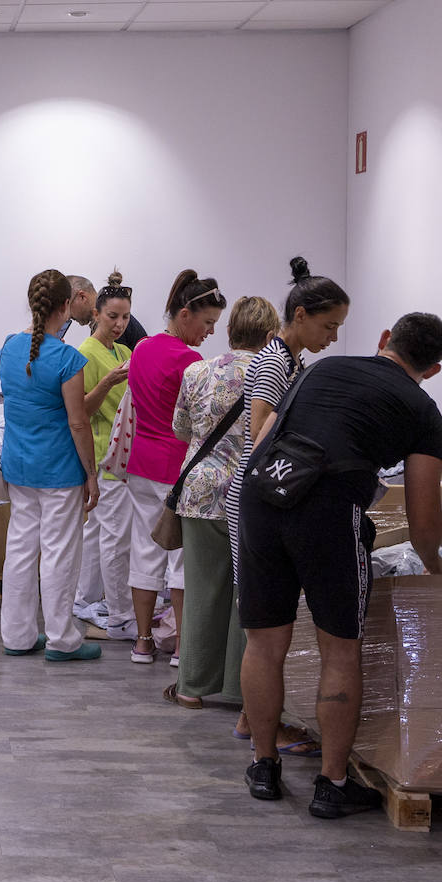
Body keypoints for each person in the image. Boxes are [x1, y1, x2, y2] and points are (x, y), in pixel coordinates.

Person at [238, 312, 442, 819]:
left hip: (264, 493)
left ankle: (264, 765)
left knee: (264, 641)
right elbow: (424, 519)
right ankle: (332, 785)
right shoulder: (423, 409)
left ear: (384, 341)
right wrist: (433, 565)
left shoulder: (321, 368)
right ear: (434, 369)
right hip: (330, 509)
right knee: (340, 649)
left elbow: (265, 432)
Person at [223, 256, 350, 752]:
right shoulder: (276, 362)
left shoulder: (292, 361)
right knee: (260, 620)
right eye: (328, 326)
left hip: (269, 493)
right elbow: (261, 438)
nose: (332, 338)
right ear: (300, 317)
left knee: (263, 621)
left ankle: (254, 722)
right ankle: (255, 724)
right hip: (261, 495)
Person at [164, 296, 278, 709]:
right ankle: (236, 688)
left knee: (200, 591)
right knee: (244, 592)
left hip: (198, 491)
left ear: (229, 330)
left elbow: (181, 429)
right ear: (271, 335)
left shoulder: (197, 370)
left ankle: (192, 686)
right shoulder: (277, 375)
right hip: (248, 495)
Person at [0, 270, 102, 663]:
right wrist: (91, 475)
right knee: (59, 554)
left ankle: (18, 635)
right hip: (58, 470)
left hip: (18, 466)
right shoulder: (67, 359)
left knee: (20, 549)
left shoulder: (7, 348)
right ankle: (62, 639)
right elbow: (78, 422)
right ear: (66, 306)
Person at [124, 270, 226, 666]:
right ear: (186, 314)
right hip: (176, 468)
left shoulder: (142, 348)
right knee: (182, 560)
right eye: (207, 323)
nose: (209, 332)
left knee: (144, 550)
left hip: (140, 463)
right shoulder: (191, 361)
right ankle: (184, 646)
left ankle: (143, 642)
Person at [74, 271, 135, 640]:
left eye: (125, 317)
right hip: (103, 455)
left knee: (97, 533)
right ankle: (119, 613)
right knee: (114, 537)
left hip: (124, 454)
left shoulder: (126, 351)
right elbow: (79, 408)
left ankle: (85, 598)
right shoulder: (85, 353)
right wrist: (108, 382)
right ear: (95, 313)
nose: (119, 323)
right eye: (112, 316)